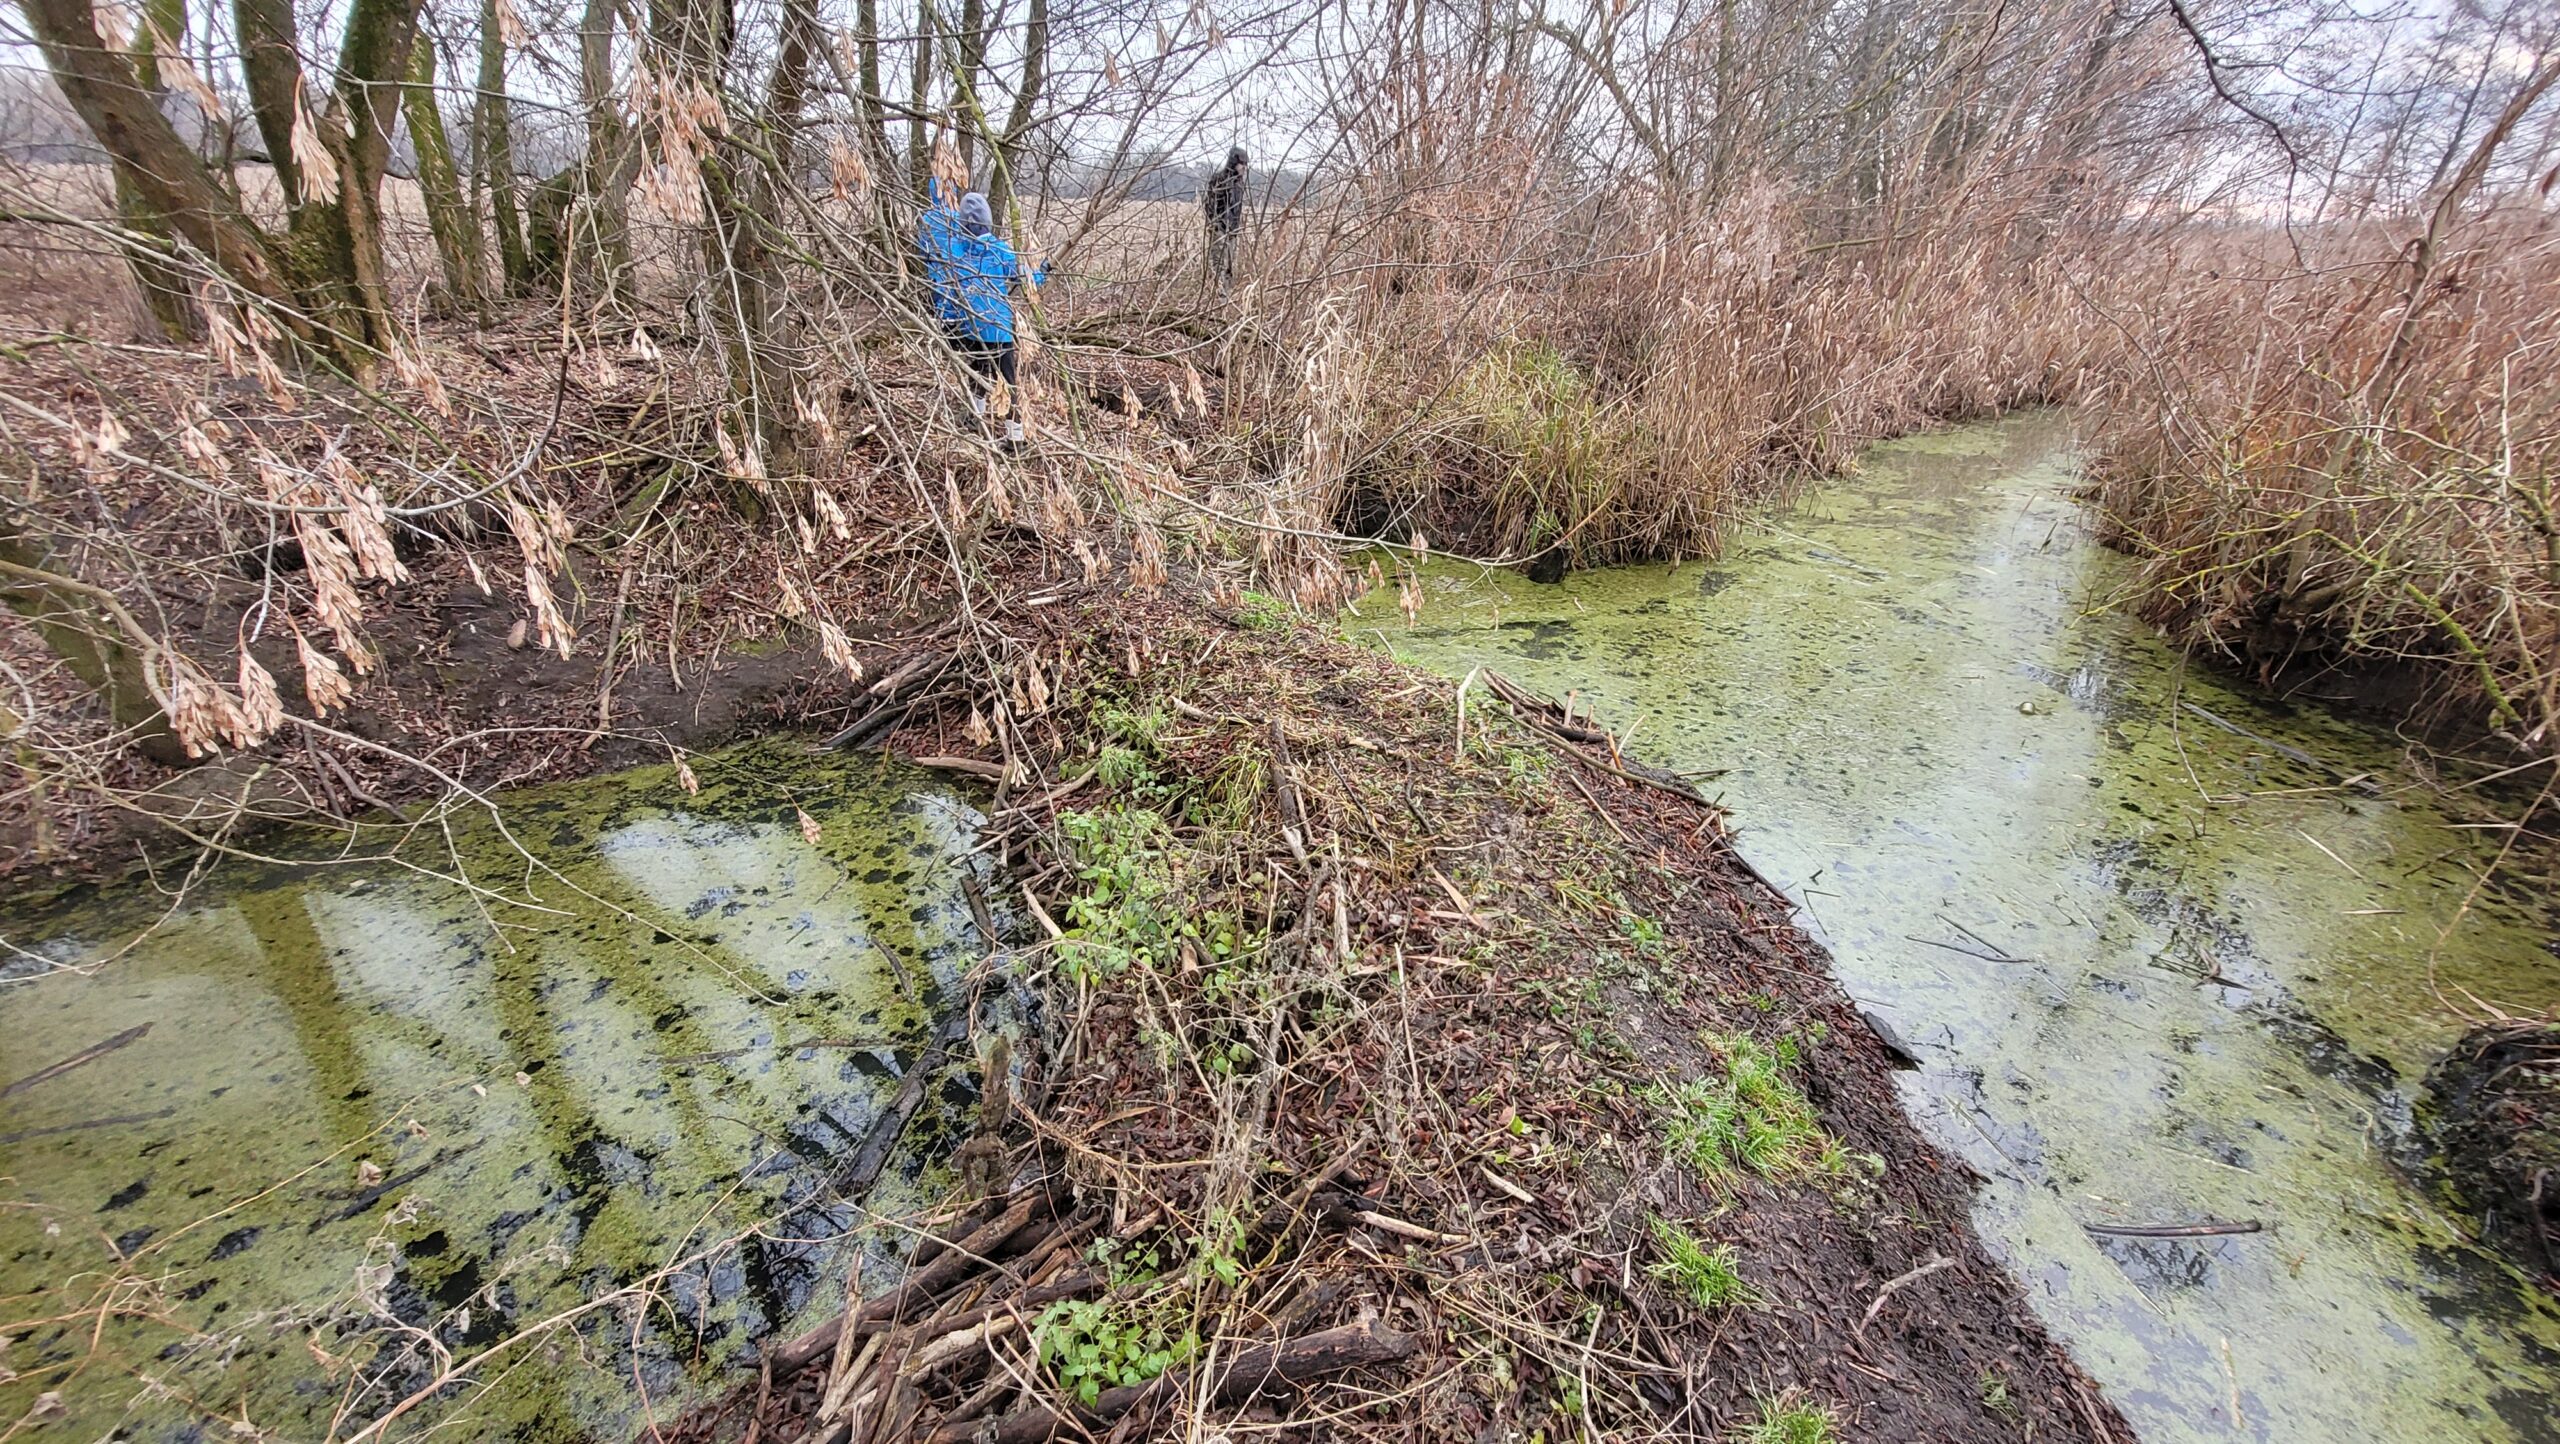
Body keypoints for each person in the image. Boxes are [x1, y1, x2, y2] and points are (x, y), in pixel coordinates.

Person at [919, 184, 1044, 451]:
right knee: (1007, 382)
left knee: (977, 371)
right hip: (998, 330)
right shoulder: (999, 251)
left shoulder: (956, 252)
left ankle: (974, 417)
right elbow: (1029, 281)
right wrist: (1044, 269)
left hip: (969, 327)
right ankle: (1016, 437)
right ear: (988, 222)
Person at [1203, 146, 1247, 290]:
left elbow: (1237, 209)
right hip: (1219, 230)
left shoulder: (1239, 184)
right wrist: (1215, 226)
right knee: (1218, 264)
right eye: (1242, 163)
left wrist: (1235, 229)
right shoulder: (1219, 180)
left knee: (1229, 266)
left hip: (1232, 232)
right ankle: (1217, 295)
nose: (1244, 167)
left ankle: (1226, 296)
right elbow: (1209, 204)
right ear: (1234, 162)